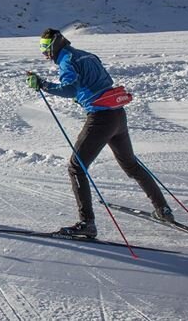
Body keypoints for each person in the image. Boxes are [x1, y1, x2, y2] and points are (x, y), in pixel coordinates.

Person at [26, 28, 173, 238]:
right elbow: (102, 82)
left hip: (100, 119)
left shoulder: (67, 60)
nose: (44, 54)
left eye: (45, 48)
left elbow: (70, 89)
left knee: (76, 167)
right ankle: (163, 209)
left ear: (55, 45)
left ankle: (87, 223)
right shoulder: (87, 55)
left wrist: (42, 84)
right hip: (118, 116)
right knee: (130, 164)